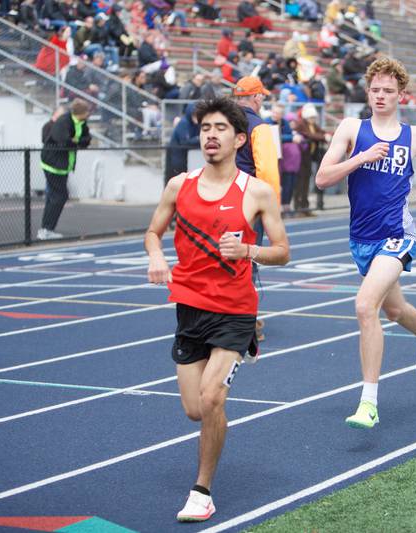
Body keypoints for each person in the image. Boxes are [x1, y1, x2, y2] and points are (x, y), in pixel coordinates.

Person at [145, 97, 289, 523]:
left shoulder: (256, 191)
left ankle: (201, 491)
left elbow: (282, 251)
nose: (211, 134)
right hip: (189, 306)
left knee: (212, 397)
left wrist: (249, 249)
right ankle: (214, 421)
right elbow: (153, 232)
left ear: (239, 138)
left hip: (235, 311)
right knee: (196, 408)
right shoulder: (179, 185)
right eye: (205, 127)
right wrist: (156, 256)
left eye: (221, 128)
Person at [315, 57, 416, 429]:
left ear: (401, 95)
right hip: (362, 238)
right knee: (395, 310)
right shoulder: (352, 128)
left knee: (364, 306)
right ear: (367, 91)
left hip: (398, 235)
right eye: (375, 90)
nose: (381, 96)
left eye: (389, 90)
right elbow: (323, 178)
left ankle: (368, 403)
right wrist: (361, 157)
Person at [233, 76, 281, 341]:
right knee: (246, 260)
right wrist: (271, 206)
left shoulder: (221, 121)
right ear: (257, 97)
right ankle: (244, 322)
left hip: (217, 197)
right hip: (249, 201)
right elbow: (267, 171)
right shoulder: (258, 127)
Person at [38, 98, 92, 240]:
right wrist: (75, 142)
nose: (88, 115)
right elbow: (63, 142)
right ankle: (46, 229)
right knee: (59, 196)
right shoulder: (64, 121)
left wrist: (76, 141)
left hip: (64, 166)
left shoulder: (82, 122)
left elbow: (87, 140)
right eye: (87, 112)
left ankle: (46, 228)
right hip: (53, 164)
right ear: (82, 112)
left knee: (55, 196)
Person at [165, 106, 200, 186]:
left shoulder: (195, 124)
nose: (196, 117)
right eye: (194, 115)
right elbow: (184, 141)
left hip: (185, 157)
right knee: (176, 179)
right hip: (177, 156)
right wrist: (198, 139)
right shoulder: (184, 123)